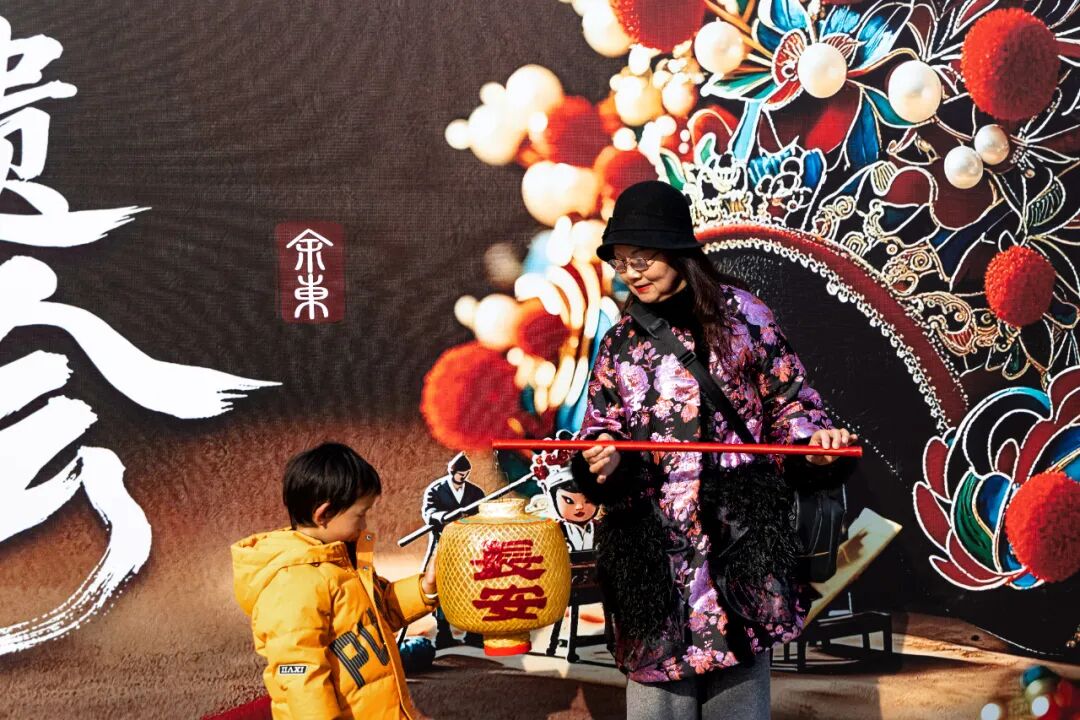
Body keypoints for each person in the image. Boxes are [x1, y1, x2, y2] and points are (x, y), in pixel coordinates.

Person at [572, 181, 858, 720]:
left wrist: (815, 448)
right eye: (622, 261)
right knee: (656, 707)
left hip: (738, 545)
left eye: (643, 258)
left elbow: (791, 403)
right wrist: (601, 458)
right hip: (653, 556)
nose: (631, 273)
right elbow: (600, 427)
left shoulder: (744, 316)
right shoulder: (619, 342)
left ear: (678, 249)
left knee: (739, 701)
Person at [231, 442, 439, 719]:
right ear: (324, 514)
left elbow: (379, 613)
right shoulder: (292, 583)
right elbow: (301, 675)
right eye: (360, 514)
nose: (364, 525)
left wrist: (425, 588)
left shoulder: (342, 562)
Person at [420, 451, 485, 648]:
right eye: (459, 474)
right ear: (451, 471)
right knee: (442, 588)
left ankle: (474, 633)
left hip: (469, 546)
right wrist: (444, 516)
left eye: (465, 474)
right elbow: (428, 513)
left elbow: (484, 514)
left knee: (474, 587)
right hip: (444, 544)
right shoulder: (436, 490)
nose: (462, 477)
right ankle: (443, 633)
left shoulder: (475, 492)